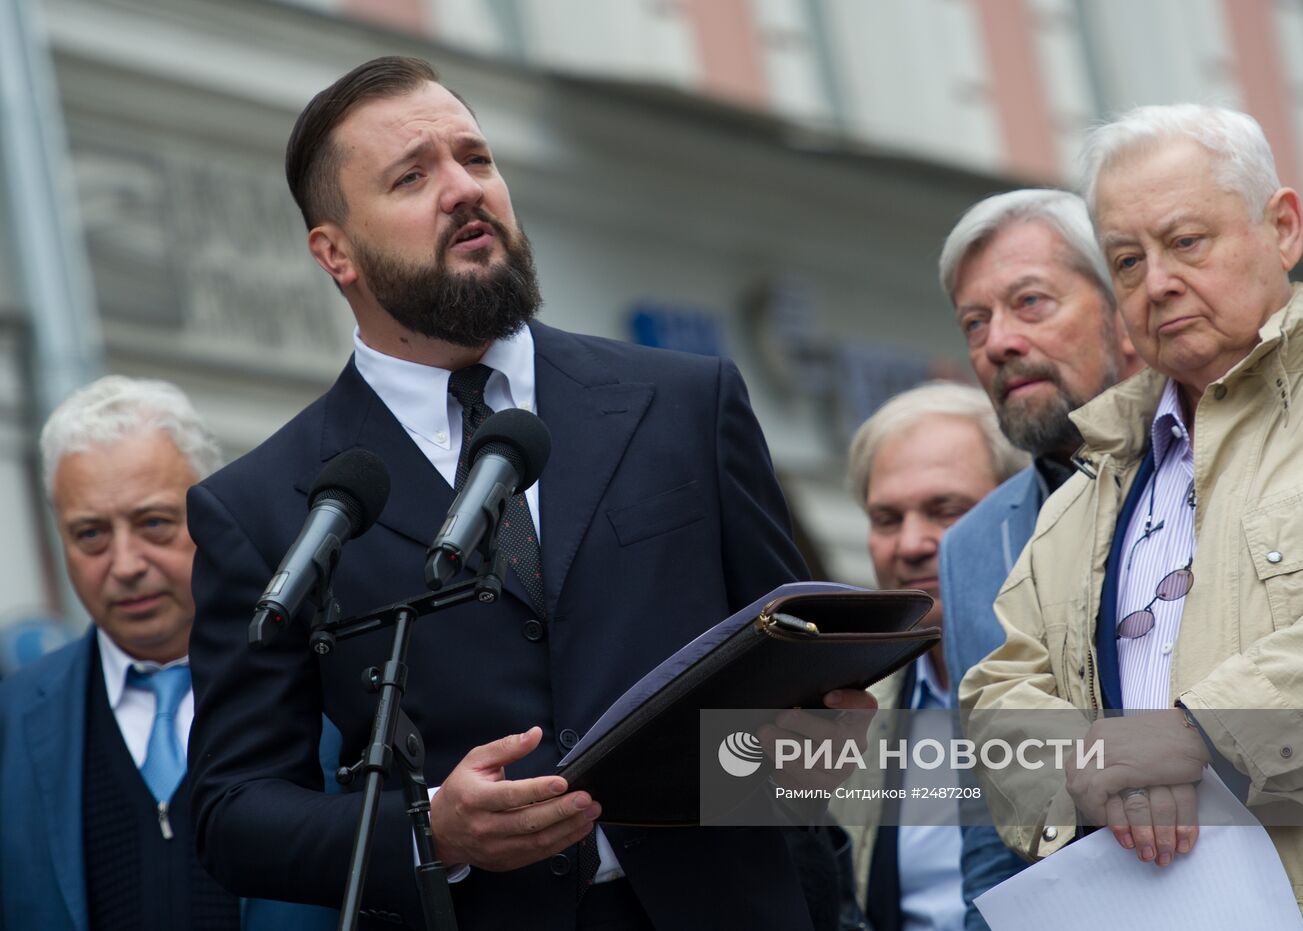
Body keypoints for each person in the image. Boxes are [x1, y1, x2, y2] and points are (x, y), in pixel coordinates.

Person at [185, 56, 871, 931]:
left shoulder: (686, 403)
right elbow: (234, 809)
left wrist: (815, 744)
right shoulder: (267, 507)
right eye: (412, 175)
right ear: (336, 252)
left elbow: (795, 663)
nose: (463, 190)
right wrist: (428, 829)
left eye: (476, 158)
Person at [961, 103, 1303, 929]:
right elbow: (998, 693)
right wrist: (1093, 766)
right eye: (1126, 261)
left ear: (1284, 228)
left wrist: (1206, 732)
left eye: (1186, 242)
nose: (1156, 282)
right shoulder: (1086, 494)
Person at [0, 376, 336, 931]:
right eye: (90, 534)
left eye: (153, 523)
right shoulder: (12, 719)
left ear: (214, 515)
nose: (126, 563)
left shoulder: (328, 684)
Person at [935, 188, 1139, 926]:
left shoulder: (1218, 472)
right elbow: (987, 820)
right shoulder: (968, 546)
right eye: (975, 322)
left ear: (1124, 308)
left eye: (1031, 303)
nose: (998, 342)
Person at [837, 381, 1028, 931]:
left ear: (1019, 508)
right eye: (887, 519)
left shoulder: (1085, 675)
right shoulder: (840, 704)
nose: (911, 543)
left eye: (945, 510)